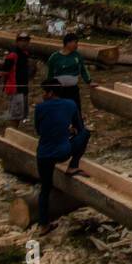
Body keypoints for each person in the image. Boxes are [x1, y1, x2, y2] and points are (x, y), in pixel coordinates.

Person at [34, 82, 90, 232]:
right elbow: (80, 128)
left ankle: (43, 224)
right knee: (85, 134)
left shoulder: (39, 108)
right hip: (62, 152)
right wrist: (69, 131)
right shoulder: (70, 104)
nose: (43, 95)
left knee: (45, 188)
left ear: (51, 93)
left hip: (43, 155)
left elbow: (39, 131)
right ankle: (73, 166)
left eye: (44, 92)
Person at [44, 33, 91, 111]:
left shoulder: (77, 56)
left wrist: (89, 81)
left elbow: (83, 70)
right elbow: (50, 74)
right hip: (59, 91)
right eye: (75, 43)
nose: (76, 45)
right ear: (68, 43)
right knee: (61, 111)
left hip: (73, 90)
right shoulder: (54, 57)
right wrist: (48, 90)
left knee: (75, 110)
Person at [1, 32, 34, 128]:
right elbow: (5, 71)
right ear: (17, 42)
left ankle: (14, 131)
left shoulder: (26, 54)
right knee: (14, 115)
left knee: (20, 114)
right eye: (21, 41)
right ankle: (11, 133)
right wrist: (5, 86)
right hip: (15, 89)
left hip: (23, 88)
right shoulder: (12, 55)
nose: (23, 43)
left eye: (26, 41)